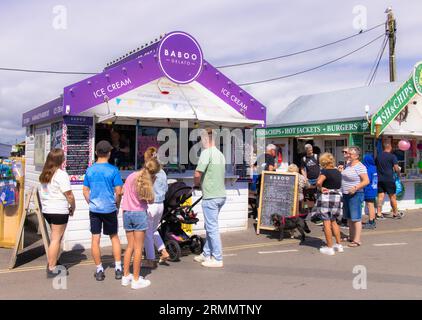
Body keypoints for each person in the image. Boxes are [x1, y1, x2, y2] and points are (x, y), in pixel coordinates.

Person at [83, 140, 124, 281]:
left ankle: (99, 270)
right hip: (109, 208)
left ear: (96, 153)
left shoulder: (90, 170)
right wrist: (117, 205)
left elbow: (85, 190)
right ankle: (118, 268)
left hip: (95, 209)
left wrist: (91, 202)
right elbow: (119, 191)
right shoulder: (113, 170)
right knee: (114, 237)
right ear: (109, 153)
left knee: (95, 238)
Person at [121, 159, 159, 289]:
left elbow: (123, 191)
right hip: (139, 214)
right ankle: (136, 280)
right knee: (138, 248)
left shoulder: (131, 175)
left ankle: (126, 276)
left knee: (130, 246)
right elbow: (151, 200)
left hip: (126, 213)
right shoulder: (147, 182)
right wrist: (152, 183)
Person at [39, 148, 75, 278]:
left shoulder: (45, 173)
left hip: (47, 210)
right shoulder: (61, 174)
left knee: (54, 237)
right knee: (56, 239)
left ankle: (53, 260)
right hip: (59, 210)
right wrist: (73, 207)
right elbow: (69, 195)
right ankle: (52, 267)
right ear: (60, 160)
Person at [193, 128, 226, 268]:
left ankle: (217, 258)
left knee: (212, 227)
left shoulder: (206, 153)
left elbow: (197, 173)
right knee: (210, 226)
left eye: (201, 139)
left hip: (210, 196)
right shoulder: (220, 154)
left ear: (206, 139)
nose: (201, 142)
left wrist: (196, 185)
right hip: (221, 195)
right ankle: (206, 253)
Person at [143, 147, 170, 268]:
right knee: (153, 230)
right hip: (161, 205)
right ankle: (163, 251)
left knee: (147, 234)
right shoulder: (163, 172)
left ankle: (150, 260)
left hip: (151, 205)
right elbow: (166, 189)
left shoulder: (149, 172)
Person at [312, 153, 343, 255]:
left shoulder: (325, 171)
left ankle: (329, 247)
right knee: (334, 221)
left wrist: (320, 188)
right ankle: (338, 245)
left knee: (326, 222)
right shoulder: (338, 171)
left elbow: (318, 182)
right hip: (337, 197)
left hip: (326, 197)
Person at [341, 146, 369, 247]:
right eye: (347, 153)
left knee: (356, 218)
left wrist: (355, 188)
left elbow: (366, 181)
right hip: (346, 194)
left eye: (350, 154)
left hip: (356, 194)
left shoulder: (360, 166)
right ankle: (351, 237)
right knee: (349, 218)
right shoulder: (348, 164)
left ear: (356, 156)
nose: (347, 155)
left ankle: (357, 240)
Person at [375, 142, 403, 219]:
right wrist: (398, 173)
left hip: (380, 179)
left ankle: (379, 213)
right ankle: (395, 213)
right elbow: (396, 168)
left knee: (380, 197)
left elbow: (376, 166)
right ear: (389, 147)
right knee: (392, 197)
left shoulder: (378, 156)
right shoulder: (392, 156)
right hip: (389, 179)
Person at [300, 144, 320, 212]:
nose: (310, 151)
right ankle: (309, 209)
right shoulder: (304, 159)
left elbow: (321, 166)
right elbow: (302, 169)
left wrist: (320, 176)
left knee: (318, 195)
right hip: (309, 180)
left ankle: (318, 210)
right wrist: (305, 177)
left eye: (311, 150)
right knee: (309, 196)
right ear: (306, 150)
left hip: (318, 179)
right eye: (309, 150)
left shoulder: (316, 156)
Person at [362, 154, 378, 229]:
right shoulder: (374, 168)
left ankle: (371, 221)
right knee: (371, 205)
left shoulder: (368, 169)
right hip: (374, 189)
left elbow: (367, 180)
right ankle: (372, 220)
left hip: (369, 189)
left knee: (370, 205)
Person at [338, 147, 350, 228]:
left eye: (345, 152)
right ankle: (344, 220)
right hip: (343, 187)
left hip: (350, 187)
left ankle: (345, 221)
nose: (344, 154)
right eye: (343, 152)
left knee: (348, 205)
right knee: (345, 205)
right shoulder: (344, 163)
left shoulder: (351, 163)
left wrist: (342, 172)